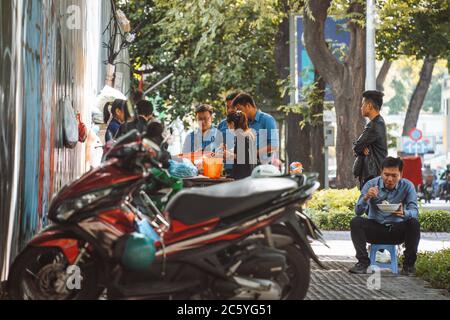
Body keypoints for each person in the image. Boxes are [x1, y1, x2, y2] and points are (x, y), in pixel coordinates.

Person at [349, 157, 420, 276]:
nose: (389, 179)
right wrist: (366, 197)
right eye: (386, 174)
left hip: (397, 230)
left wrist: (404, 213)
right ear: (381, 172)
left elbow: (415, 211)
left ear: (401, 174)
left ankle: (409, 265)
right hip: (375, 229)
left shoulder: (407, 186)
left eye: (394, 175)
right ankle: (363, 263)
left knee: (414, 223)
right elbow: (358, 211)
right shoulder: (371, 184)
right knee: (356, 222)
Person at [353, 90, 387, 189]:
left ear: (369, 106)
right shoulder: (379, 122)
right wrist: (362, 149)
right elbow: (359, 147)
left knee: (369, 202)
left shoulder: (374, 125)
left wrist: (360, 148)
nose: (361, 107)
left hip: (372, 175)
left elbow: (357, 147)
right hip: (375, 174)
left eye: (363, 104)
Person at [232, 93, 279, 164]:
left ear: (248, 105)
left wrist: (253, 154)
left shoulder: (267, 119)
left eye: (240, 109)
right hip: (248, 165)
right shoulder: (244, 122)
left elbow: (274, 145)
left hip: (263, 167)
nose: (239, 113)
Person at [222, 111, 257, 180]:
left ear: (232, 123)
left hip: (242, 177)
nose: (228, 127)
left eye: (228, 125)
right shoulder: (248, 134)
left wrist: (229, 155)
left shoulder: (241, 136)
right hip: (249, 175)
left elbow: (243, 157)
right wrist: (229, 152)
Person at [217, 92, 241, 175]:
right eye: (227, 107)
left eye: (233, 107)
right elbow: (218, 147)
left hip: (244, 169)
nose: (230, 110)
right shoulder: (221, 125)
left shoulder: (247, 124)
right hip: (227, 170)